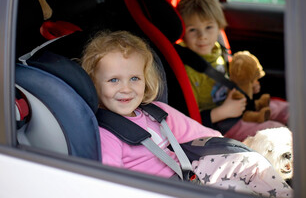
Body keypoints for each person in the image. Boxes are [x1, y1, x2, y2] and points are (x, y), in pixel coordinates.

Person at [81, 30, 292, 197]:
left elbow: (204, 136)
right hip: (160, 190)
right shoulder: (107, 134)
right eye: (114, 80)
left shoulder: (157, 113)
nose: (126, 88)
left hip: (190, 174)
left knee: (251, 164)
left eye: (134, 78)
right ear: (93, 85)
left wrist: (235, 152)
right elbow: (108, 184)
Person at [177, 0, 285, 141]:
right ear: (183, 33)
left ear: (219, 26)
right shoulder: (185, 67)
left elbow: (229, 80)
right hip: (223, 123)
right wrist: (222, 112)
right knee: (277, 131)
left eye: (209, 27)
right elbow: (186, 117)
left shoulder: (217, 49)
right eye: (192, 30)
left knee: (287, 111)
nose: (202, 36)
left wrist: (247, 88)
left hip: (241, 106)